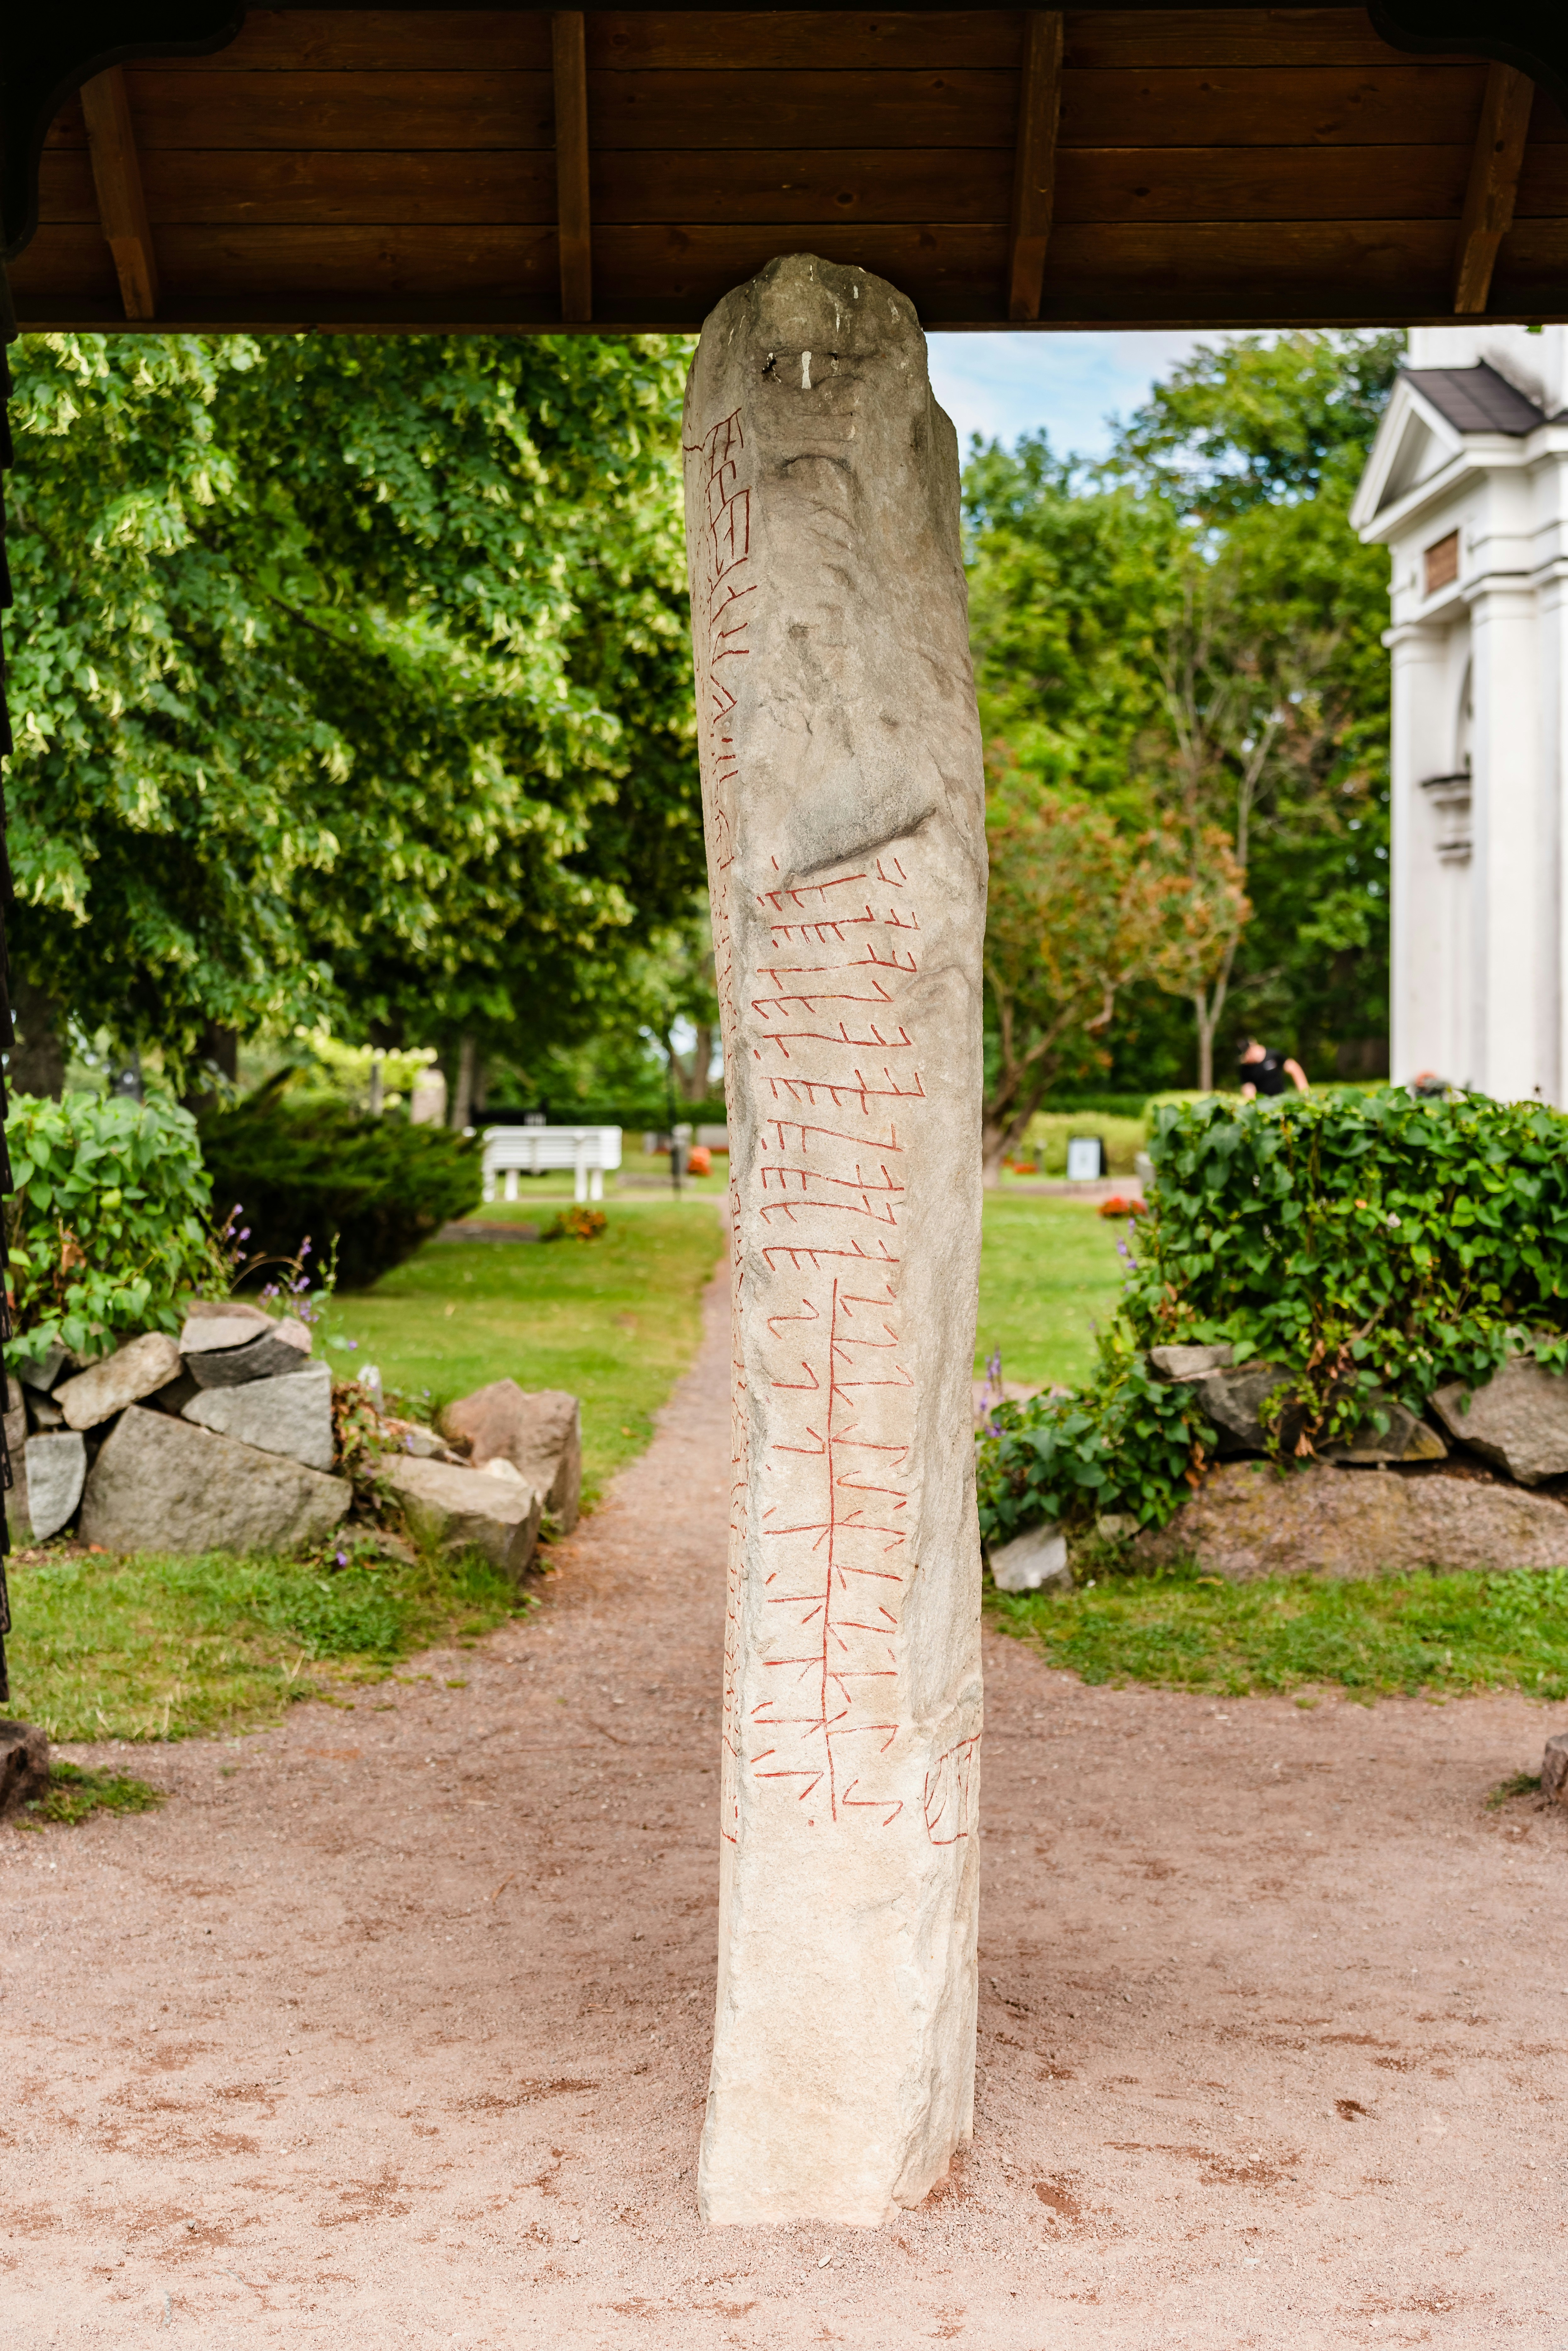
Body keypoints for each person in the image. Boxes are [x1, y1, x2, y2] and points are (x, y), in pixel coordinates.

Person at [1237, 1036, 1308, 1099]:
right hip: (1264, 1105)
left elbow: (1294, 1068)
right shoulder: (1246, 1069)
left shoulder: (1273, 1055)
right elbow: (1248, 1089)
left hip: (1282, 1099)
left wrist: (1305, 1092)